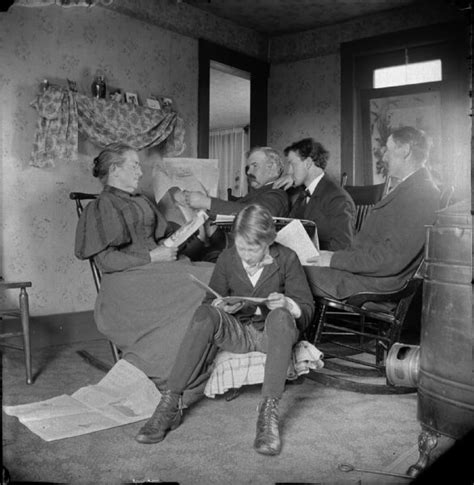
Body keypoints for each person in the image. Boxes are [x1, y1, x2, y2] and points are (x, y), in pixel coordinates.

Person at [135, 204, 315, 456]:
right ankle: (169, 402)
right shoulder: (228, 258)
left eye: (253, 249)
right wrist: (222, 306)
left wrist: (287, 304)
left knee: (282, 317)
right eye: (241, 247)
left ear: (268, 241)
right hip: (239, 331)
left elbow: (307, 309)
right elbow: (210, 303)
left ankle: (268, 413)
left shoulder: (287, 258)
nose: (246, 256)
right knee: (205, 314)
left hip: (272, 335)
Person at [74, 143, 216, 403]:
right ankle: (169, 370)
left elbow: (161, 240)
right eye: (134, 165)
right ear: (115, 170)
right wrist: (153, 256)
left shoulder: (141, 200)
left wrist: (190, 230)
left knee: (216, 273)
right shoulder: (101, 205)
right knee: (204, 281)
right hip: (126, 282)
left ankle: (198, 360)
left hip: (156, 271)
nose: (141, 172)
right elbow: (105, 260)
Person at [304, 126, 440, 300]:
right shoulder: (411, 188)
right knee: (290, 265)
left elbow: (391, 259)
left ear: (405, 151)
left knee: (287, 272)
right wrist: (333, 258)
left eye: (388, 150)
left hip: (376, 282)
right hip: (364, 273)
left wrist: (333, 260)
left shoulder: (422, 195)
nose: (384, 157)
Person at [181, 146, 290, 261]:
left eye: (255, 166)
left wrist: (207, 202)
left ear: (271, 167)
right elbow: (237, 212)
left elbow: (258, 215)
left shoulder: (277, 194)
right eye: (248, 168)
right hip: (227, 249)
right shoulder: (257, 193)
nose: (248, 172)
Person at [276, 137, 355, 251]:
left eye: (292, 165)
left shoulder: (337, 198)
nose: (289, 171)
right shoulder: (305, 193)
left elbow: (343, 246)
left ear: (308, 163)